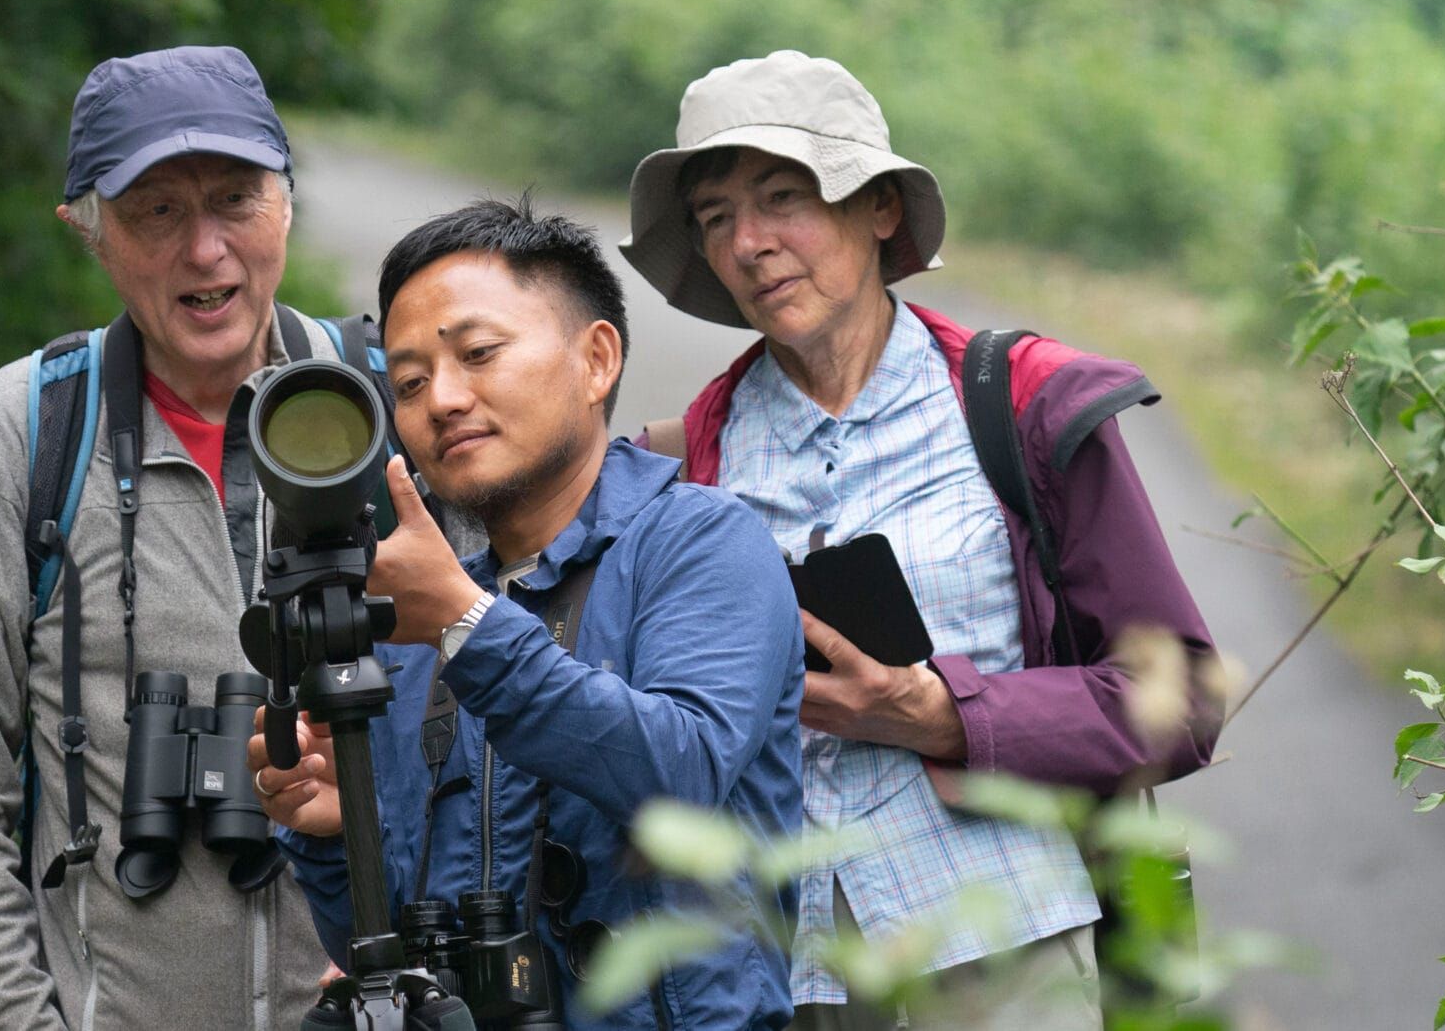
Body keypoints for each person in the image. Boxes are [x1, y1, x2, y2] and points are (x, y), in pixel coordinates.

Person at [621, 51, 1224, 1029]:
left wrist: (942, 715)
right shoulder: (693, 451)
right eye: (715, 216)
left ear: (879, 209)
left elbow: (1181, 696)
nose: (748, 243)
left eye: (784, 196)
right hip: (779, 973)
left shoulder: (1018, 400)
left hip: (1005, 950)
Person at [256, 198, 805, 1029]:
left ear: (597, 360)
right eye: (407, 382)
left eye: (478, 353)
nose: (441, 399)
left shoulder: (701, 542)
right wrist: (335, 836)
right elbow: (394, 947)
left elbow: (684, 774)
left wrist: (467, 626)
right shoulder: (413, 631)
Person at [0, 46, 348, 1029]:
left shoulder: (381, 405)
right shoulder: (20, 432)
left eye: (235, 198)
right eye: (157, 210)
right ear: (89, 231)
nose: (205, 250)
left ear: (285, 203)